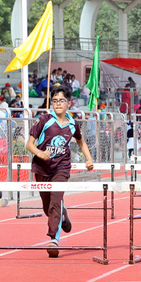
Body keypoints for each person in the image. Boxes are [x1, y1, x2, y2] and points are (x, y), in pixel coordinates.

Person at [25, 85, 94, 258]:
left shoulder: (72, 124)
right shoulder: (44, 120)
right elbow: (29, 144)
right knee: (48, 207)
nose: (57, 104)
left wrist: (89, 158)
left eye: (61, 101)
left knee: (56, 199)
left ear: (69, 103)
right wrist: (40, 153)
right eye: (54, 101)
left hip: (61, 167)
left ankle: (53, 240)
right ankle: (63, 215)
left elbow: (80, 141)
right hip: (42, 167)